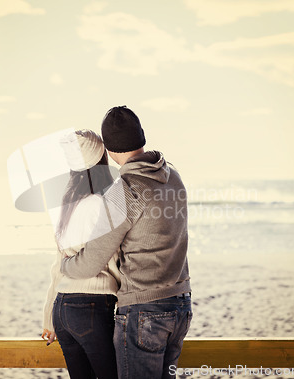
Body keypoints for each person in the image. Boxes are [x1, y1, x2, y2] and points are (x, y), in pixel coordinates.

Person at [61, 106, 192, 379]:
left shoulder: (124, 191)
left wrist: (66, 266)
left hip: (144, 312)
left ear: (108, 150)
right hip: (180, 306)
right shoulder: (174, 177)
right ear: (142, 137)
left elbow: (92, 260)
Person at [41, 129, 120, 379]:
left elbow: (58, 266)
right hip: (92, 306)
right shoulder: (100, 204)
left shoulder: (67, 206)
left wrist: (48, 319)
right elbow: (113, 259)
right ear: (101, 159)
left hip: (62, 308)